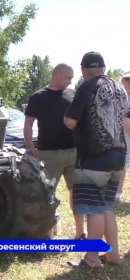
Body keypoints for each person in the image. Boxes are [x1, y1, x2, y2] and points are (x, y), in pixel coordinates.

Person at [64, 51, 125, 268]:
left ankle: (91, 258)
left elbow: (71, 121)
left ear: (83, 70)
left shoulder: (88, 87)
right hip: (118, 157)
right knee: (106, 206)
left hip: (94, 158)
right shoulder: (119, 88)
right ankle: (113, 256)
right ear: (104, 67)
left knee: (94, 209)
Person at [23, 63, 84, 239]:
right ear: (56, 75)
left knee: (78, 194)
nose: (71, 81)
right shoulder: (38, 97)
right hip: (49, 153)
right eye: (68, 77)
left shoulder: (73, 94)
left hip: (73, 152)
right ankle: (47, 235)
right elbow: (28, 124)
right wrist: (30, 148)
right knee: (47, 196)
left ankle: (80, 233)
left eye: (72, 78)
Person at [116, 70, 130, 201]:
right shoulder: (118, 96)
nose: (128, 82)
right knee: (121, 165)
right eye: (126, 79)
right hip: (120, 136)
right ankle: (118, 192)